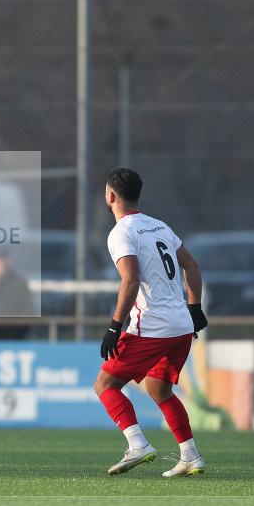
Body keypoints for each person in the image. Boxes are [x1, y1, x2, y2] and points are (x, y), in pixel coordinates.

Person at [94, 168, 209, 478]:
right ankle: (191, 456)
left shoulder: (121, 232)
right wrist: (194, 308)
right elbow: (191, 264)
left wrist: (114, 326)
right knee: (160, 390)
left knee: (105, 384)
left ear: (111, 196)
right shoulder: (159, 226)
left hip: (153, 326)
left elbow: (130, 281)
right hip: (181, 327)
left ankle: (138, 445)